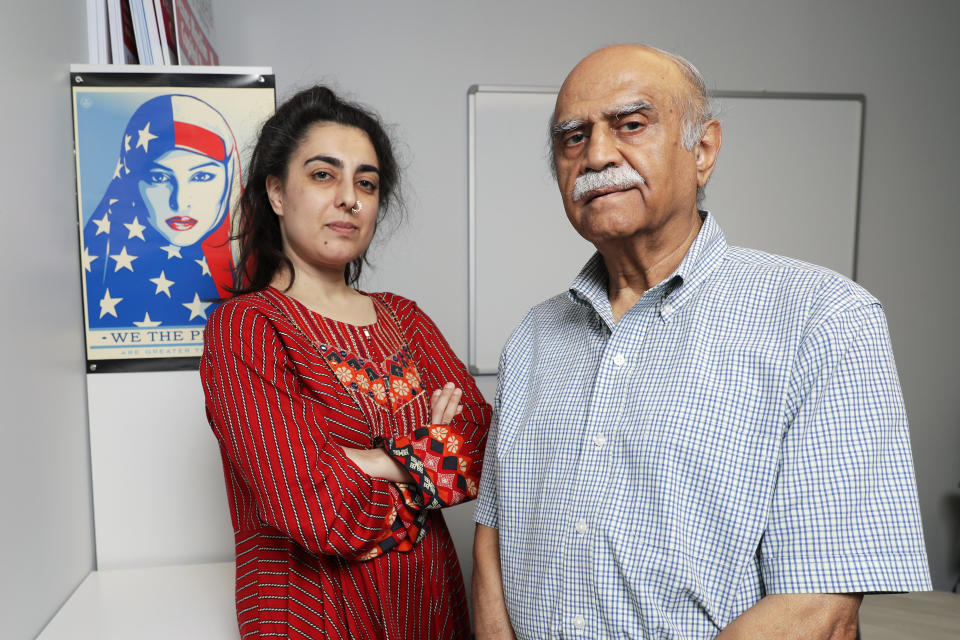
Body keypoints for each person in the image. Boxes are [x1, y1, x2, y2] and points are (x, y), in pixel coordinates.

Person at [472, 45, 931, 639]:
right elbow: (493, 534)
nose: (597, 155)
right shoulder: (534, 337)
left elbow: (821, 608)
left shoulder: (825, 320)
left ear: (703, 150)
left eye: (631, 125)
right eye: (573, 138)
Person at [200, 86, 491, 639]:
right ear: (277, 193)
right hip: (313, 614)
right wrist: (424, 454)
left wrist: (370, 461)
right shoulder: (248, 327)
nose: (350, 199)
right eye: (322, 175)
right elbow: (312, 504)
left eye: (366, 183)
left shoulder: (406, 318)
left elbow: (479, 444)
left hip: (430, 607)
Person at [82, 94, 239, 329]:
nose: (180, 201)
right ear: (130, 181)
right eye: (159, 177)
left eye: (202, 176)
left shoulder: (260, 271)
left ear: (230, 178)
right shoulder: (98, 275)